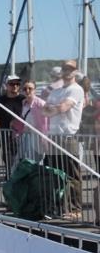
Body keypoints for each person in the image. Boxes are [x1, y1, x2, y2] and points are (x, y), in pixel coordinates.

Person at [42, 60, 85, 215]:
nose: (68, 71)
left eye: (71, 69)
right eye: (65, 68)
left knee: (72, 174)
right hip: (53, 136)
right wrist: (56, 108)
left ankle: (75, 208)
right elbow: (44, 111)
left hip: (69, 136)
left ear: (75, 71)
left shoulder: (76, 89)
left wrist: (55, 108)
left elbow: (63, 108)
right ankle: (60, 207)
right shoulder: (57, 91)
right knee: (56, 173)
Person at [0, 74, 26, 172]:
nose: (15, 86)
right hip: (6, 136)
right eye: (12, 84)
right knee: (8, 160)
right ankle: (10, 180)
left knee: (24, 160)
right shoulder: (0, 101)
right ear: (6, 85)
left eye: (17, 83)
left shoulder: (23, 99)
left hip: (23, 135)